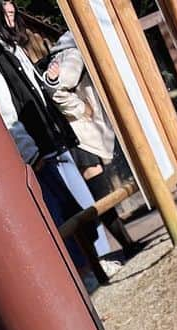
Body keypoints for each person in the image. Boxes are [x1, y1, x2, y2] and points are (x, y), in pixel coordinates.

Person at [0, 0, 116, 289]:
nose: (11, 10)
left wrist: (51, 80)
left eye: (11, 4)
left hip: (51, 137)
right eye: (4, 6)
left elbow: (32, 88)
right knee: (62, 212)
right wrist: (28, 150)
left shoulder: (7, 43)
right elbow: (3, 106)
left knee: (76, 205)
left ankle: (98, 263)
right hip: (37, 147)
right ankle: (85, 272)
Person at [41, 32, 139, 261]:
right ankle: (126, 244)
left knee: (100, 189)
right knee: (100, 191)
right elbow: (55, 88)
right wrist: (80, 108)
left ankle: (127, 244)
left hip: (83, 133)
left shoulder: (70, 50)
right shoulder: (73, 53)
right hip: (79, 135)